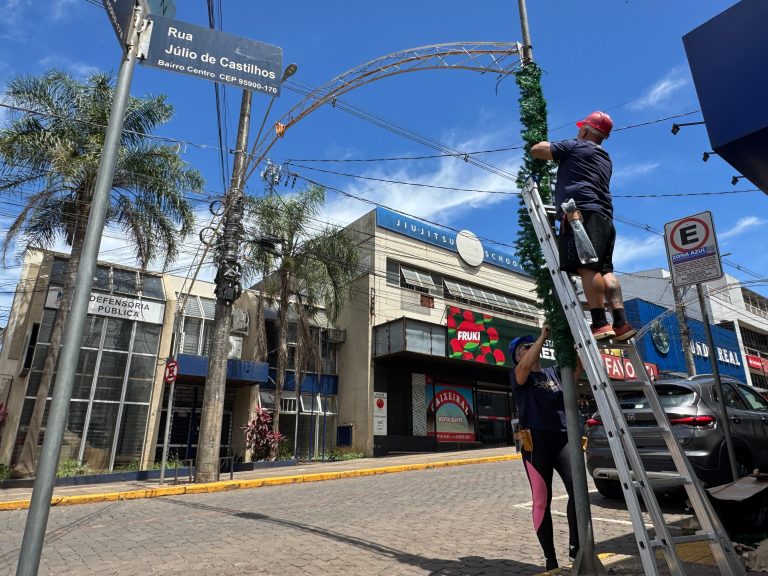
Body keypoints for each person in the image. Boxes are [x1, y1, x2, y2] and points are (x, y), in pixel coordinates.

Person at [531, 111, 636, 341]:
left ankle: (600, 323)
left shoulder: (576, 146)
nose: (578, 130)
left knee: (587, 268)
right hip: (604, 217)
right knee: (605, 271)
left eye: (581, 127)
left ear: (586, 129)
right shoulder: (605, 158)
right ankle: (620, 323)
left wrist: (543, 141)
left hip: (581, 215)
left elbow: (537, 150)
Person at [509, 325, 579, 571]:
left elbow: (576, 371)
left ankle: (576, 548)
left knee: (578, 492)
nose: (530, 349)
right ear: (517, 356)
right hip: (534, 443)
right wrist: (541, 337)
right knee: (542, 500)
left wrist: (572, 343)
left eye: (531, 345)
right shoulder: (520, 374)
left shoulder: (554, 373)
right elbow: (525, 367)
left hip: (562, 439)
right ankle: (550, 560)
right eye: (524, 348)